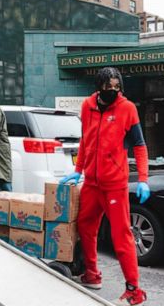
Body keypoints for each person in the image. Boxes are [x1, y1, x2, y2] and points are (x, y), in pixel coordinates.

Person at [60, 67, 150, 306]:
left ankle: (133, 289)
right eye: (108, 87)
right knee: (85, 226)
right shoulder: (87, 106)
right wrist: (78, 170)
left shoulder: (127, 109)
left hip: (115, 185)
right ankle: (91, 274)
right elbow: (86, 140)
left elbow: (139, 146)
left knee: (121, 236)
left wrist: (143, 179)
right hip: (91, 182)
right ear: (98, 87)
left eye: (116, 87)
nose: (112, 91)